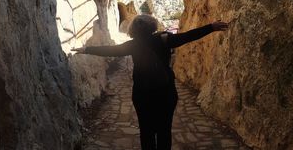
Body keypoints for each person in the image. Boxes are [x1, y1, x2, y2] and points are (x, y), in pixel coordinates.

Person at [72, 15, 228, 150]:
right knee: (164, 130)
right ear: (152, 25)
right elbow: (188, 36)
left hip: (142, 93)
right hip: (165, 92)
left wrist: (86, 49)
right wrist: (211, 27)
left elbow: (110, 50)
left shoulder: (132, 45)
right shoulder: (164, 39)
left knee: (146, 131)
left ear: (133, 29)